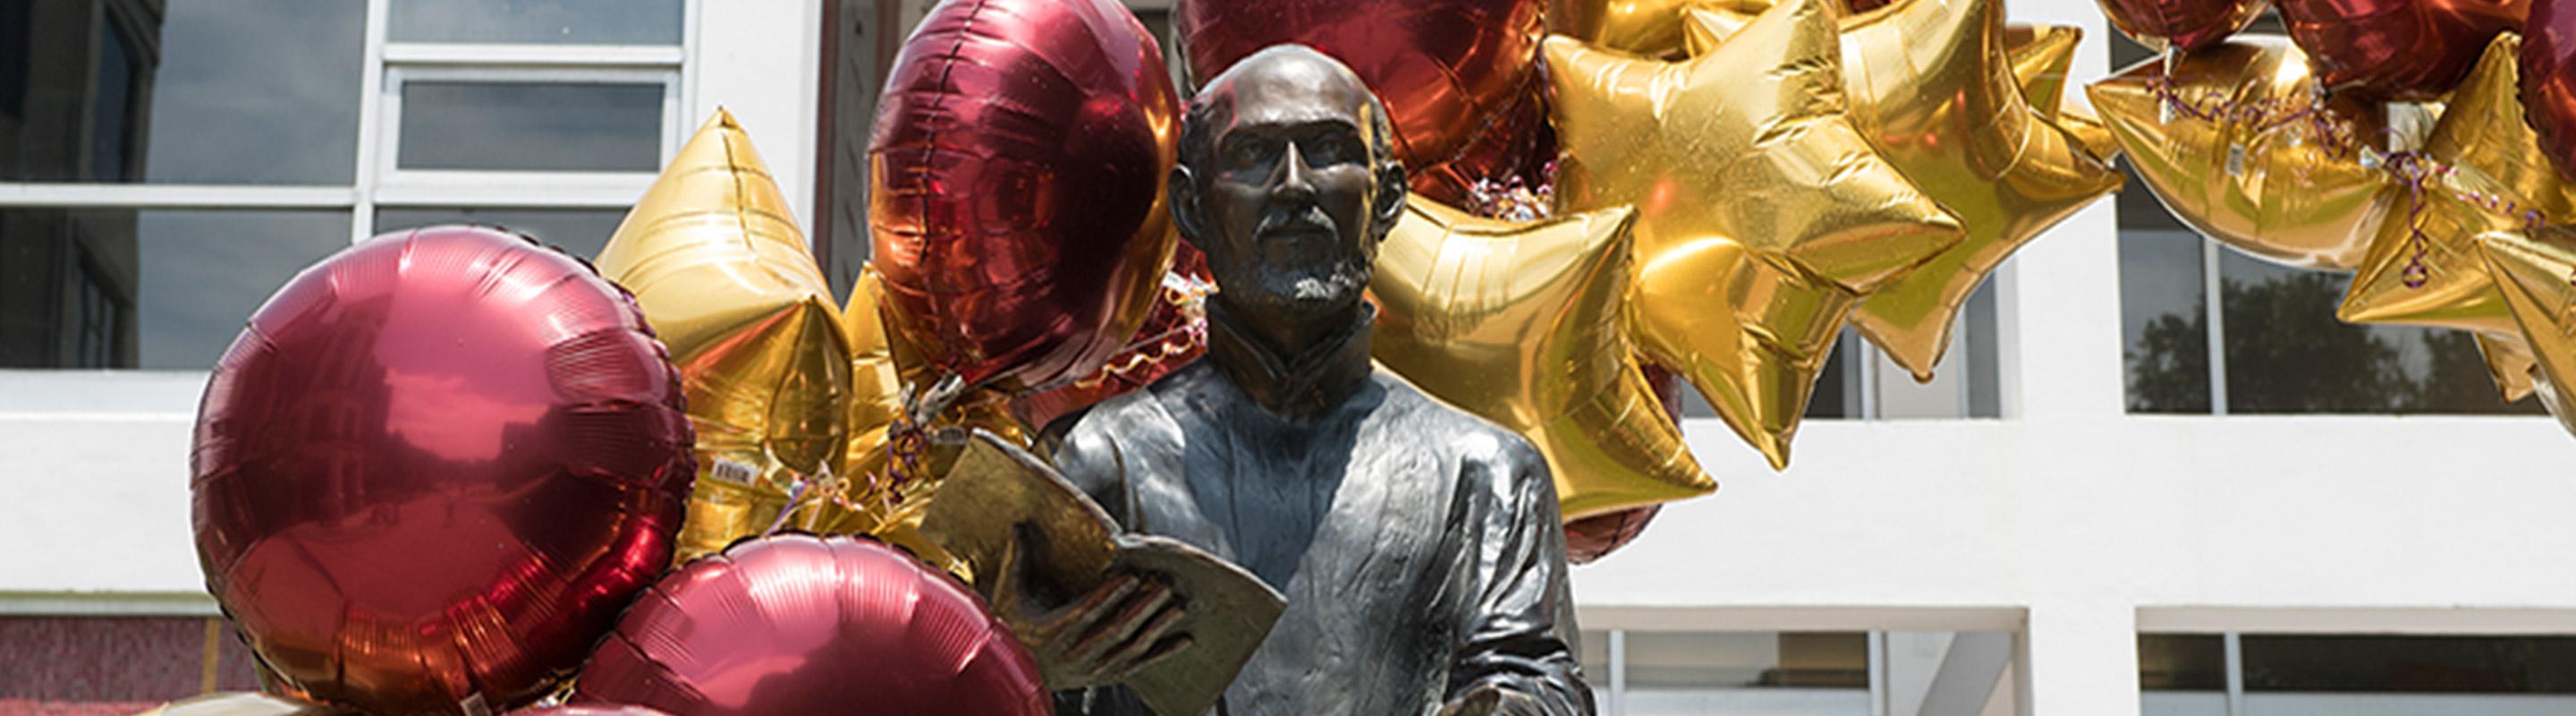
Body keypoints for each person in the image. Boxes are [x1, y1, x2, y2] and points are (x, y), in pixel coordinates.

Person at [1036, 45, 1594, 715]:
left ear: (1386, 199)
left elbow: (1540, 682)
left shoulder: (1486, 476)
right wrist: (1034, 671)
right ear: (1190, 206)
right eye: (1252, 155)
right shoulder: (1097, 463)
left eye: (1329, 149)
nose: (1294, 185)